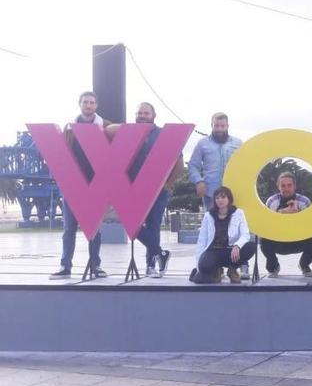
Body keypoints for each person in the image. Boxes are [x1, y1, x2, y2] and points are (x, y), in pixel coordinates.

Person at [114, 102, 185, 278]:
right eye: (139, 113)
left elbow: (179, 165)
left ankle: (151, 265)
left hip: (158, 190)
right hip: (132, 188)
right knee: (130, 223)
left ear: (154, 115)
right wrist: (124, 127)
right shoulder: (127, 133)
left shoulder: (164, 135)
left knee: (153, 226)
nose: (142, 116)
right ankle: (160, 253)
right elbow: (107, 131)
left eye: (146, 113)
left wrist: (168, 184)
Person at [51, 91, 109, 280]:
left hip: (96, 183)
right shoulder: (69, 128)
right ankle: (65, 266)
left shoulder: (105, 126)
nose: (89, 105)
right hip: (73, 184)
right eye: (85, 102)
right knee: (69, 228)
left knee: (94, 228)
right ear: (80, 104)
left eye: (92, 102)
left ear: (96, 105)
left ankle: (95, 265)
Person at [260, 172, 312, 278]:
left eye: (289, 185)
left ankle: (304, 265)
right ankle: (273, 267)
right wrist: (281, 213)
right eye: (283, 186)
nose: (286, 188)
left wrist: (298, 215)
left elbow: (311, 226)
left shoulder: (304, 201)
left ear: (294, 186)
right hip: (278, 241)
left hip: (299, 240)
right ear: (278, 187)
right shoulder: (272, 201)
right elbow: (267, 225)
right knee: (264, 238)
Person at [191, 186, 256, 284]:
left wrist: (237, 245)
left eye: (223, 197)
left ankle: (232, 269)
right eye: (217, 198)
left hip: (231, 251)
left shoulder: (238, 213)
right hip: (213, 251)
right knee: (203, 271)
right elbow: (202, 240)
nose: (220, 200)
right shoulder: (208, 215)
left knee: (251, 246)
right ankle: (217, 269)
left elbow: (245, 234)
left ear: (229, 199)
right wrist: (198, 263)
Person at [188, 112, 242, 211]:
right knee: (212, 224)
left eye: (222, 126)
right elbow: (193, 165)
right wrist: (198, 181)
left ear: (227, 126)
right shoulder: (202, 144)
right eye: (216, 126)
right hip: (210, 194)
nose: (219, 129)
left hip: (234, 193)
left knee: (234, 224)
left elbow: (244, 165)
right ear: (211, 125)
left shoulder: (238, 143)